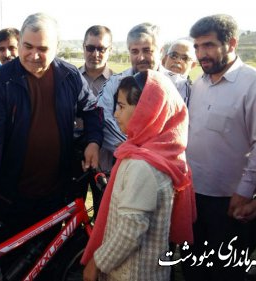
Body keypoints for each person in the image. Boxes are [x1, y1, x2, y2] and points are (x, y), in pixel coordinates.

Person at [0, 12, 103, 277]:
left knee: (53, 263)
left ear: (56, 48)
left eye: (43, 49)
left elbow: (93, 109)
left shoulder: (69, 75)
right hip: (12, 196)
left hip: (57, 194)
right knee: (13, 266)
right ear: (19, 44)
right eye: (28, 47)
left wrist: (94, 141)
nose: (34, 55)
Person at [184, 14, 256, 281]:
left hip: (231, 202)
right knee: (193, 266)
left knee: (225, 271)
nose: (201, 54)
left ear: (232, 43)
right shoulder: (200, 83)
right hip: (194, 195)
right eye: (197, 47)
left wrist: (245, 191)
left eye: (209, 45)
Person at [81, 70, 195, 281]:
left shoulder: (143, 165)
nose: (115, 114)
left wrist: (97, 263)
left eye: (122, 107)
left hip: (131, 272)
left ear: (148, 111)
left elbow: (130, 230)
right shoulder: (157, 153)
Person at [97, 23, 190, 167]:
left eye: (147, 50)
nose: (141, 57)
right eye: (135, 51)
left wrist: (148, 154)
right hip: (121, 161)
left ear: (161, 51)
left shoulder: (179, 85)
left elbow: (179, 127)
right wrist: (134, 150)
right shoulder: (114, 83)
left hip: (164, 166)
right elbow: (103, 119)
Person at [78, 25, 114, 173]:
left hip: (106, 159)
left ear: (110, 50)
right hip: (76, 158)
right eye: (90, 48)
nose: (95, 53)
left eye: (101, 49)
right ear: (83, 47)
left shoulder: (118, 82)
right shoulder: (71, 79)